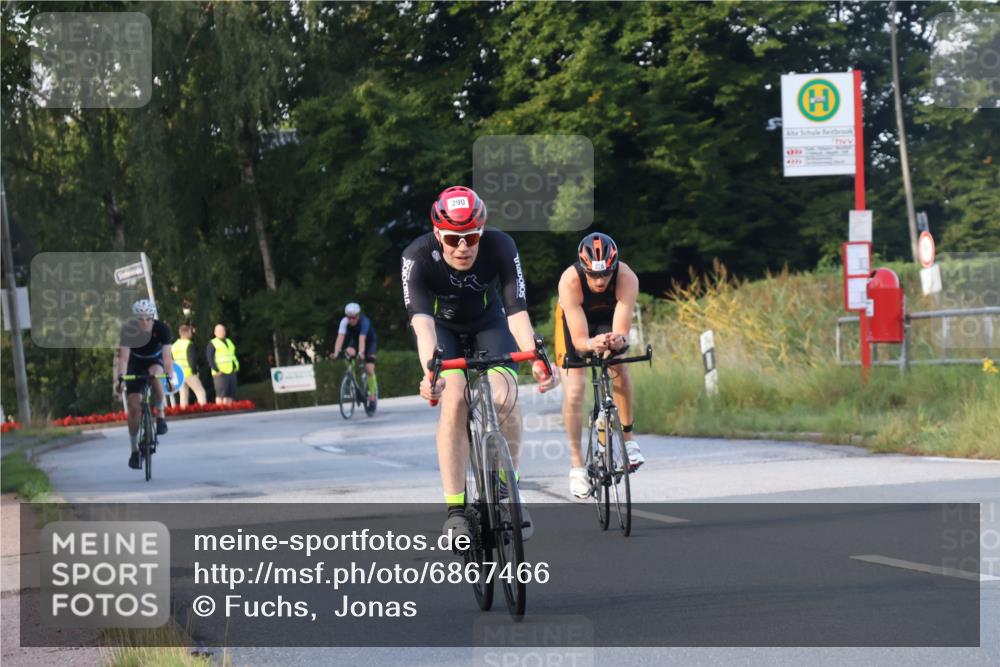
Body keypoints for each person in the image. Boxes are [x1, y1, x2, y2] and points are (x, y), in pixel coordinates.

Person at [401, 185, 559, 541]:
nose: (463, 246)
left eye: (471, 236)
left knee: (506, 396)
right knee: (454, 400)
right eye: (454, 238)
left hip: (490, 324)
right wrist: (431, 371)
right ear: (438, 233)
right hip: (443, 331)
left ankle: (508, 493)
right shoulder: (418, 256)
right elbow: (422, 324)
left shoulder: (501, 246)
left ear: (482, 231)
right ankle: (456, 511)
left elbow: (516, 312)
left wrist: (536, 356)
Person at [555, 232, 644, 500]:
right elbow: (580, 340)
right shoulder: (570, 281)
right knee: (574, 392)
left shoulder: (627, 278)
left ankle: (628, 440)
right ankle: (577, 466)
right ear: (583, 269)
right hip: (576, 327)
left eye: (605, 273)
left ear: (614, 267)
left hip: (608, 320)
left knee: (619, 365)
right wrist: (592, 343)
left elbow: (622, 331)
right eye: (593, 275)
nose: (600, 280)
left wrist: (615, 341)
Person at [114, 299, 173, 470]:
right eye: (141, 319)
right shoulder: (128, 330)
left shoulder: (162, 329)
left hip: (155, 360)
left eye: (148, 318)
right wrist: (121, 377)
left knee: (155, 374)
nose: (145, 322)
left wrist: (169, 375)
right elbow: (123, 358)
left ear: (153, 318)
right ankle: (134, 451)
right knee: (134, 406)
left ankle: (160, 414)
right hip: (135, 363)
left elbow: (167, 358)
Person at [332, 302, 378, 403]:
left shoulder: (364, 321)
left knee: (369, 369)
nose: (351, 320)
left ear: (358, 315)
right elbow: (340, 337)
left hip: (369, 343)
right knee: (347, 352)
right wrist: (336, 352)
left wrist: (361, 353)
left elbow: (362, 337)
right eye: (349, 317)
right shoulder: (344, 321)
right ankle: (352, 378)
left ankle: (373, 394)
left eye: (354, 317)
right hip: (356, 342)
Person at [170, 324, 207, 407]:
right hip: (189, 373)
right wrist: (195, 371)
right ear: (186, 333)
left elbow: (172, 361)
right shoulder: (188, 344)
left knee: (183, 395)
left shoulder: (174, 346)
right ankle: (203, 409)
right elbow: (192, 359)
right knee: (200, 392)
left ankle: (183, 413)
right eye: (190, 332)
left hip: (179, 374)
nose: (191, 334)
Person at [206, 324, 239, 405]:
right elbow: (209, 358)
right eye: (219, 331)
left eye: (223, 330)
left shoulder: (229, 341)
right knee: (221, 394)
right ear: (215, 333)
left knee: (230, 393)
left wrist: (235, 366)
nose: (222, 332)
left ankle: (229, 411)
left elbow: (232, 355)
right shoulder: (212, 343)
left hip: (231, 370)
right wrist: (216, 369)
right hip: (220, 372)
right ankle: (220, 411)